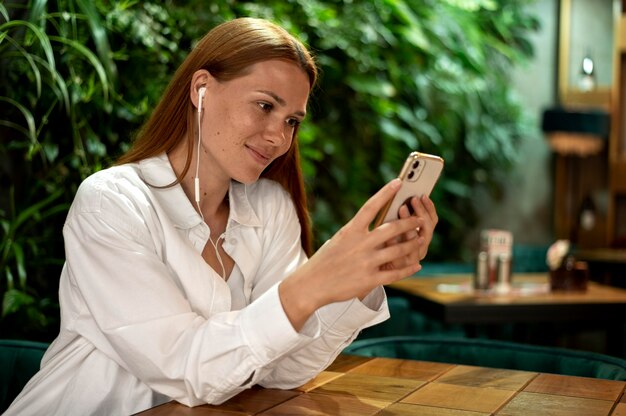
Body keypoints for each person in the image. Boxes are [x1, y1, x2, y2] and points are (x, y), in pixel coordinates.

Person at [5, 17, 438, 415]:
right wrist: (308, 286)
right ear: (201, 90)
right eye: (265, 106)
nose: (278, 137)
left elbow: (280, 372)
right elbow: (188, 369)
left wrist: (360, 279)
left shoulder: (269, 207)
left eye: (291, 120)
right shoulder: (112, 202)